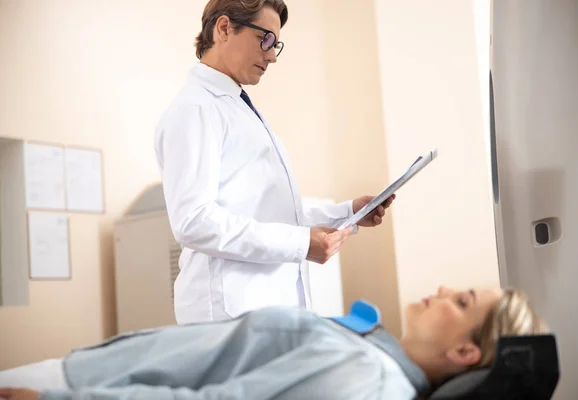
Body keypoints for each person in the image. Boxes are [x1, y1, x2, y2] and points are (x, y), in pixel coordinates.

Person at [153, 0, 394, 325]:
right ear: (224, 28)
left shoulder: (235, 106)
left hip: (263, 311)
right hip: (229, 316)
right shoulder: (196, 109)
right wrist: (300, 243)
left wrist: (347, 213)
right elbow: (194, 222)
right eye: (265, 39)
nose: (272, 55)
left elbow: (266, 210)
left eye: (276, 43)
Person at [0, 286, 547, 399]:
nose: (445, 290)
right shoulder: (371, 358)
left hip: (75, 390)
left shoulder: (365, 381)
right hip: (86, 375)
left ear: (465, 353)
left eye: (462, 301)